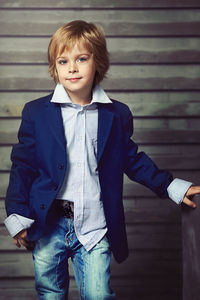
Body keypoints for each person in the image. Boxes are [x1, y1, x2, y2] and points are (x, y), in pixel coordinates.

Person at [4, 20, 200, 300]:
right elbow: (22, 167)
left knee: (99, 295)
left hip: (95, 225)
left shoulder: (116, 115)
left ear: (99, 62)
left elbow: (132, 160)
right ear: (54, 67)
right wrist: (17, 215)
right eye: (63, 61)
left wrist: (172, 187)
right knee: (50, 294)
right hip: (48, 224)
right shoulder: (37, 113)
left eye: (81, 59)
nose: (72, 68)